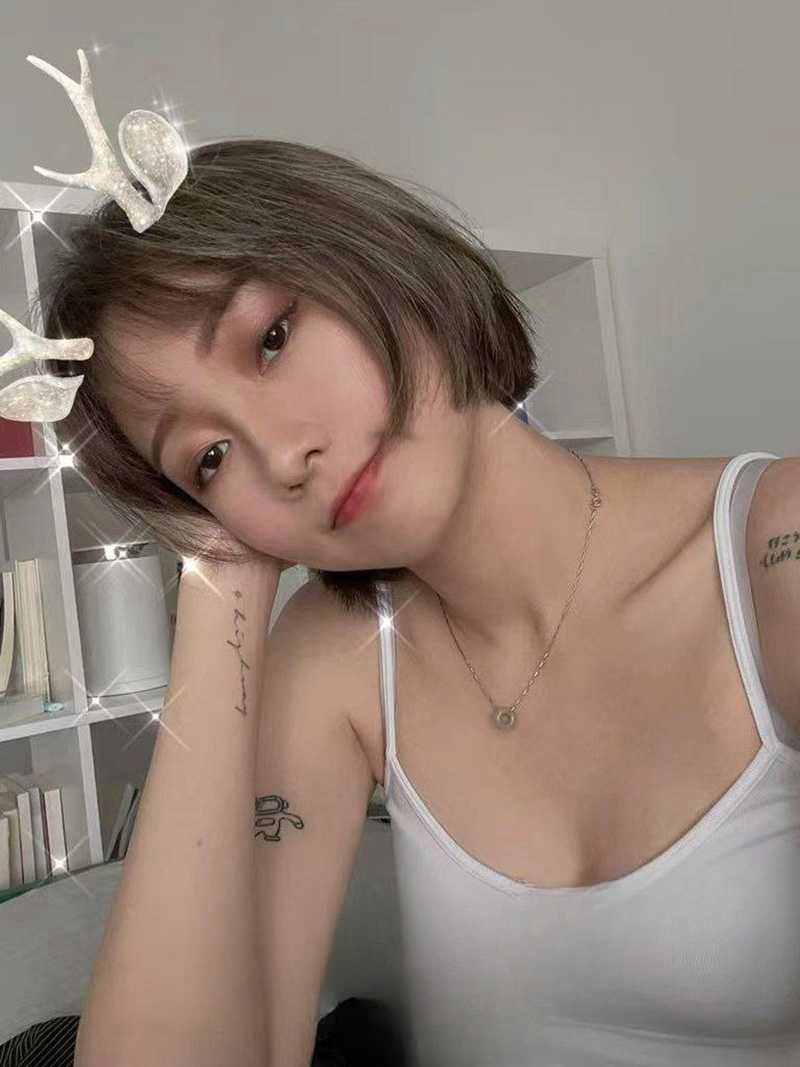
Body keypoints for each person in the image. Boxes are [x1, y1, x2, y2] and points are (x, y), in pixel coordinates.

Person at [38, 139, 800, 1066]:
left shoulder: (773, 554)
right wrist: (217, 574)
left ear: (376, 255)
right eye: (209, 457)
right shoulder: (336, 661)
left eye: (271, 339)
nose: (281, 456)